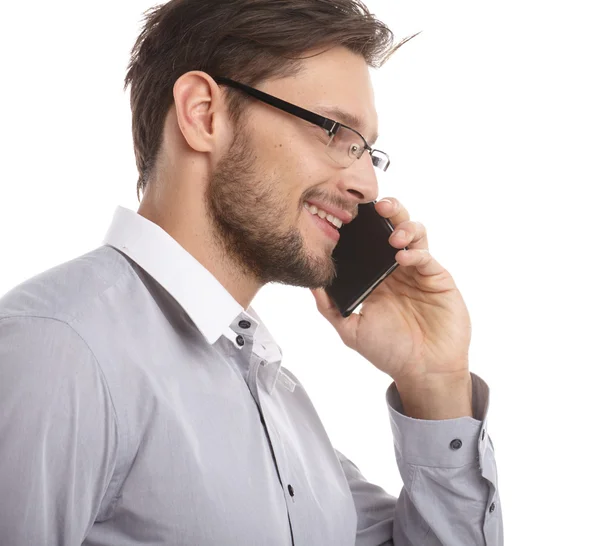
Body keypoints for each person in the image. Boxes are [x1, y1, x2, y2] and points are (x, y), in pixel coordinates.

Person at [0, 0, 503, 544]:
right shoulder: (58, 349)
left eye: (367, 152)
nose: (367, 186)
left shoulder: (278, 403)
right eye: (336, 131)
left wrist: (435, 383)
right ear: (203, 114)